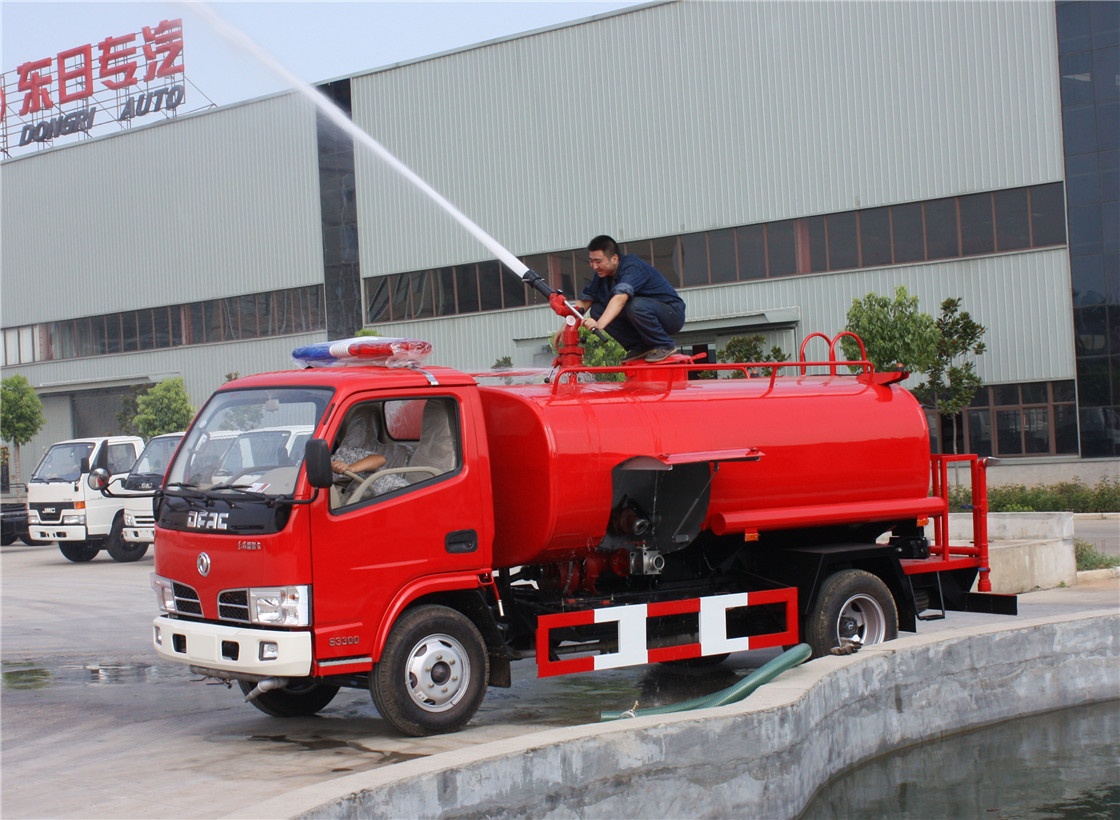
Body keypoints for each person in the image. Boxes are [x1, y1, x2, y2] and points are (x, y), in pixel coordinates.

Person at [572, 235, 686, 362]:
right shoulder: (602, 274)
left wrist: (599, 325)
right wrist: (567, 326)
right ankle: (640, 346)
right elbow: (586, 300)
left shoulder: (632, 267)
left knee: (635, 305)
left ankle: (664, 344)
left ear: (615, 258)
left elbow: (619, 299)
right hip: (641, 312)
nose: (594, 266)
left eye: (598, 261)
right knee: (597, 310)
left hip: (671, 314)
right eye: (591, 261)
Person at [330, 404, 412, 499]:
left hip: (395, 492)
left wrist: (350, 468)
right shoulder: (317, 470)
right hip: (363, 499)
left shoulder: (342, 454)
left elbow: (379, 459)